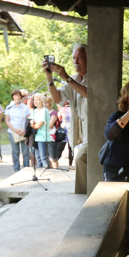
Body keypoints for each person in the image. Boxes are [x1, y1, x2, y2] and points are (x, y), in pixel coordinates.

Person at [45, 44, 88, 172]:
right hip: (79, 131)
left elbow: (88, 93)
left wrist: (66, 77)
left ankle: (84, 191)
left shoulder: (96, 77)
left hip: (93, 131)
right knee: (80, 161)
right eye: (73, 58)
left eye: (79, 58)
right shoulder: (74, 79)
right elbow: (58, 98)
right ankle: (84, 191)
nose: (75, 61)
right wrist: (49, 77)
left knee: (81, 159)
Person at [4, 89, 31, 172]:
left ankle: (26, 168)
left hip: (23, 131)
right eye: (15, 96)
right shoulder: (9, 107)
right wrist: (15, 130)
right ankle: (16, 168)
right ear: (13, 97)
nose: (17, 97)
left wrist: (25, 130)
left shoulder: (25, 107)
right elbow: (7, 120)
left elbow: (28, 119)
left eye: (19, 95)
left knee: (25, 151)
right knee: (15, 151)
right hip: (13, 131)